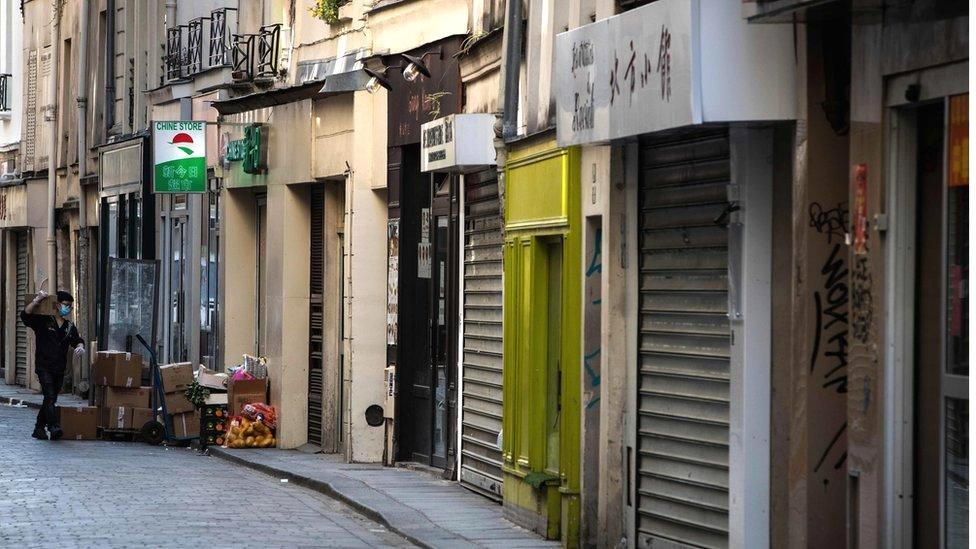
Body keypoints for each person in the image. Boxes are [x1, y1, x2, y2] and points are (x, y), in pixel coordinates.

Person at [21, 290, 85, 440]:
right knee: (49, 395)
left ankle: (38, 428)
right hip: (44, 365)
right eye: (66, 305)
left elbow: (77, 339)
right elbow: (25, 316)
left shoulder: (69, 326)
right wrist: (37, 300)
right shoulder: (44, 320)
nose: (68, 309)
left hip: (59, 368)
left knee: (51, 398)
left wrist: (80, 346)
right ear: (57, 304)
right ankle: (53, 426)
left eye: (70, 307)